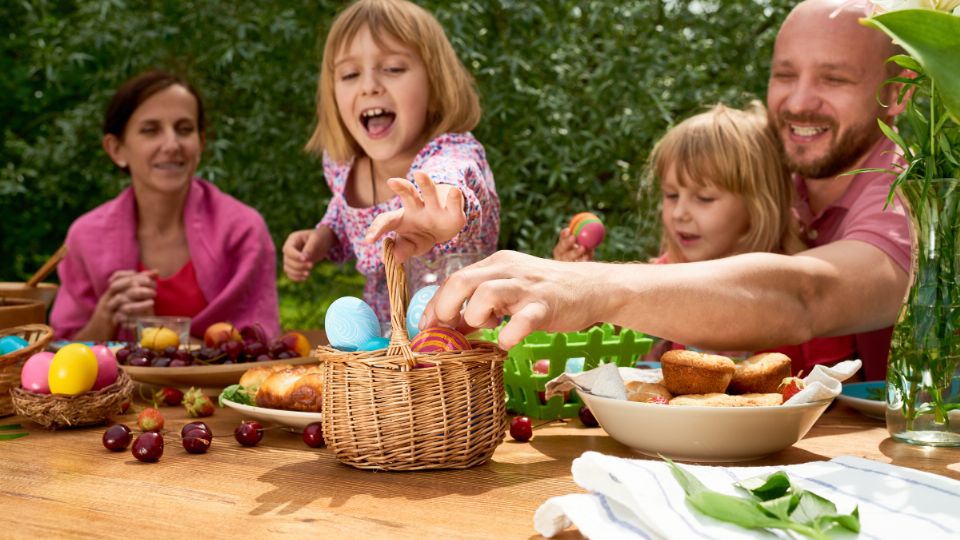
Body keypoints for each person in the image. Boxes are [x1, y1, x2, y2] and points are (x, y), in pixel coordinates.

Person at [422, 0, 912, 381]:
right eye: (784, 74)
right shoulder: (778, 160)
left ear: (898, 93)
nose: (799, 101)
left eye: (835, 78)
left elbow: (810, 295)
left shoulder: (913, 183)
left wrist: (587, 288)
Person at [554, 102, 860, 374]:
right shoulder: (661, 276)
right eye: (672, 195)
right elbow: (601, 349)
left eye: (704, 198)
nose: (680, 213)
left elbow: (837, 392)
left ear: (757, 205)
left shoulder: (801, 287)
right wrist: (575, 281)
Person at [282, 0, 500, 323]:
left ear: (436, 85)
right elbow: (344, 212)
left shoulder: (451, 151)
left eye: (394, 68)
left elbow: (453, 179)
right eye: (350, 74)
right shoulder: (343, 166)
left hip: (459, 343)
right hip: (388, 350)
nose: (369, 86)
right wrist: (325, 235)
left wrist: (440, 205)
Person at [51, 70, 280, 341]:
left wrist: (157, 333)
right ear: (116, 149)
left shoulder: (244, 230)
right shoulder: (85, 237)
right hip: (118, 386)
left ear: (201, 142)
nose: (172, 144)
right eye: (150, 130)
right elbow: (59, 355)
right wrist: (106, 317)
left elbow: (262, 350)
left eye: (184, 129)